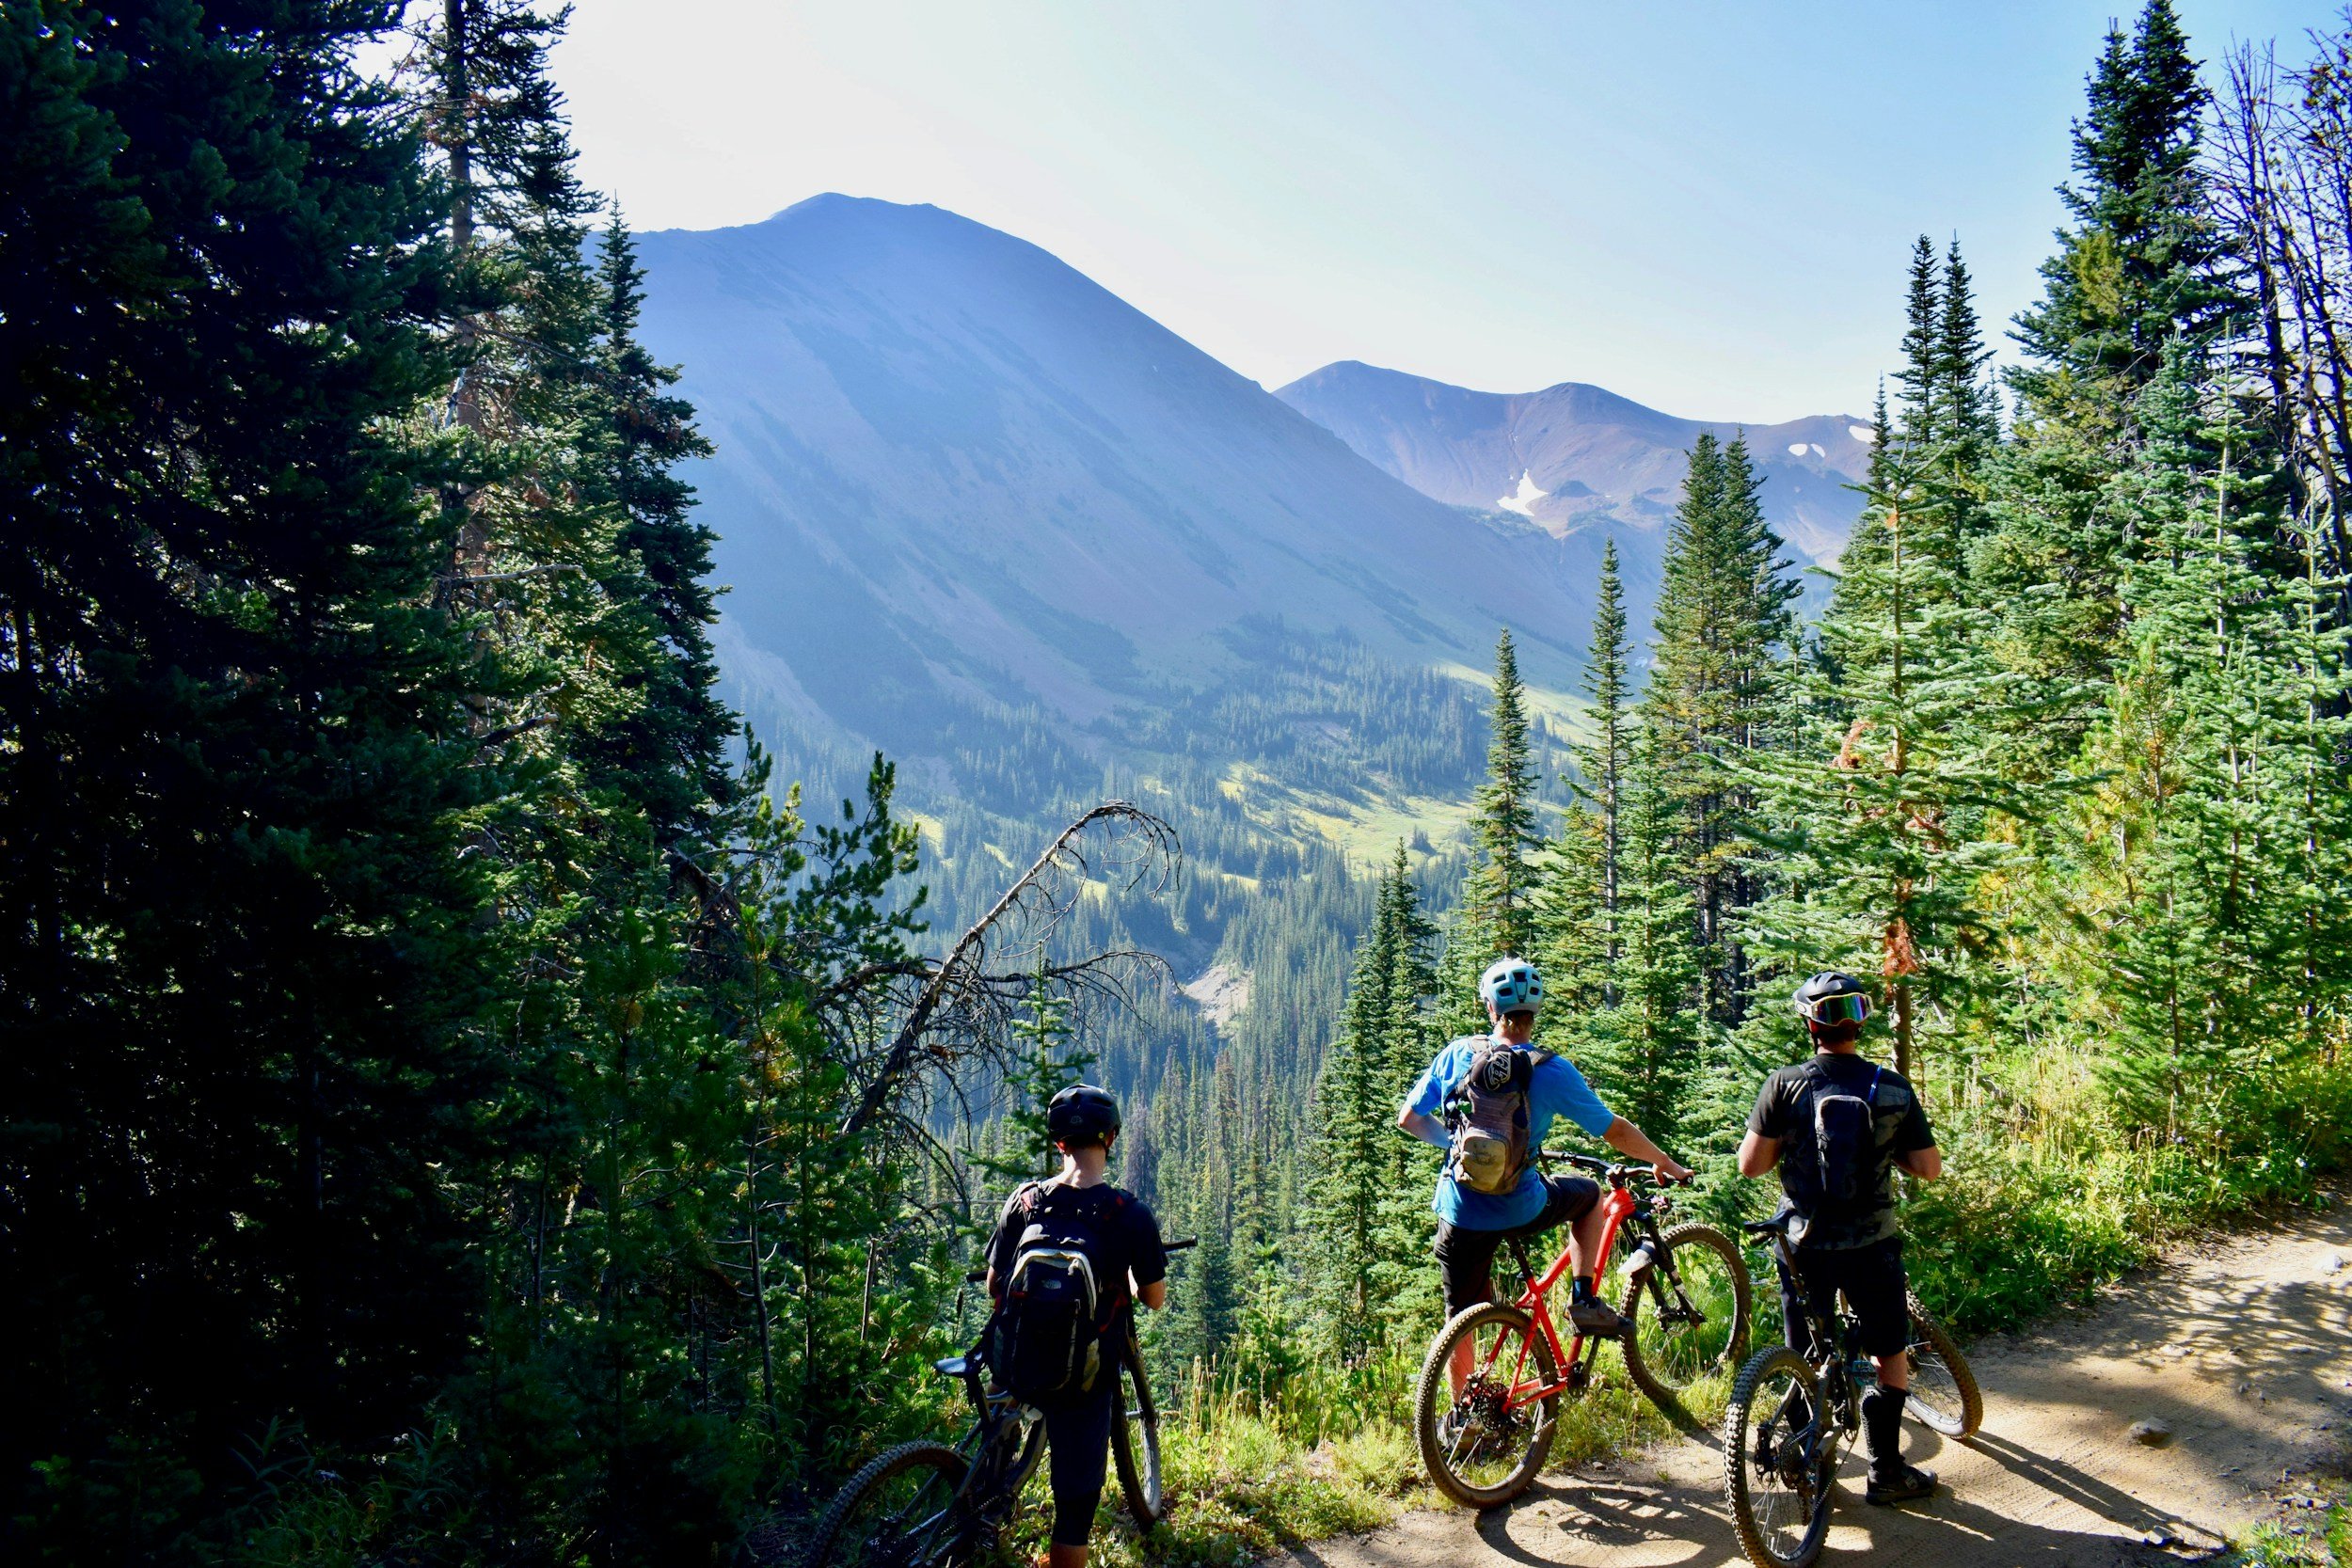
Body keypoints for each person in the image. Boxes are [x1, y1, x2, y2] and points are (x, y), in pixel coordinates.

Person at [1397, 956, 1692, 1371]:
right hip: (1522, 1204)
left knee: (1458, 1320)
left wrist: (1454, 1146)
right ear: (1534, 1011)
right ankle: (1583, 1295)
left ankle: (1462, 1424)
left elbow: (1408, 1119)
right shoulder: (1550, 1070)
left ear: (1490, 1009)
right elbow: (1613, 1130)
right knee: (1590, 1195)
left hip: (1460, 1210)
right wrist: (1664, 1162)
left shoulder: (1457, 1055)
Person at [1736, 971, 1944, 1508]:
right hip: (1872, 1243)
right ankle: (1887, 1471)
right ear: (1860, 1020)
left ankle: (1809, 1460)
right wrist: (1886, 1150)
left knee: (1802, 1350)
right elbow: (1929, 1168)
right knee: (1888, 1351)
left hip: (1804, 1243)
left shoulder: (1785, 1084)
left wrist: (1791, 1144)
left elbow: (1751, 1165)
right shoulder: (1892, 1087)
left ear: (1811, 1024)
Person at [983, 1084, 1168, 1568]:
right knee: (1074, 1509)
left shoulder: (1024, 1202)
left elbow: (993, 1287)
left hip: (1015, 1364)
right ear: (1110, 1139)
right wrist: (1124, 1281)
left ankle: (974, 1514)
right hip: (1082, 1381)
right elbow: (1153, 1299)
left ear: (1059, 1142)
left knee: (987, 1473)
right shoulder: (1129, 1215)